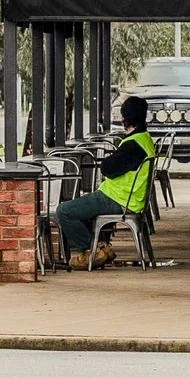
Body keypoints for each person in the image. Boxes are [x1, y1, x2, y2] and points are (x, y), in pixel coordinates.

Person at [58, 96, 158, 267]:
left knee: (64, 211)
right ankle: (100, 246)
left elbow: (107, 169)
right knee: (82, 210)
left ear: (124, 118)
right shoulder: (144, 138)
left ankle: (93, 250)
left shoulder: (132, 145)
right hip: (130, 198)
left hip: (117, 198)